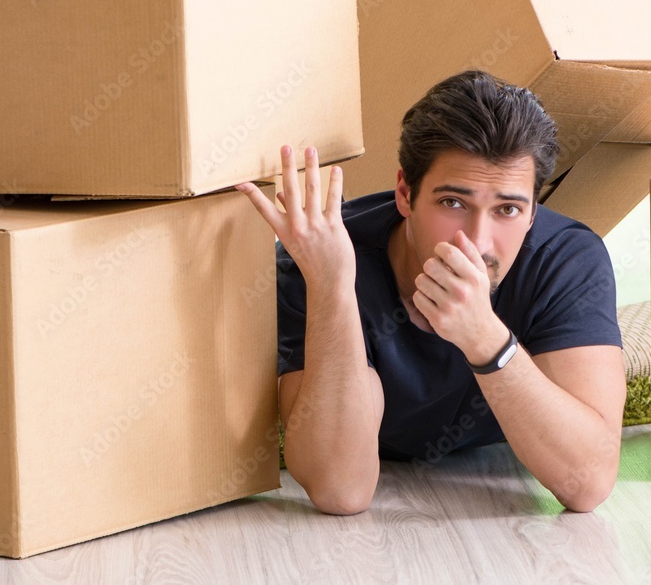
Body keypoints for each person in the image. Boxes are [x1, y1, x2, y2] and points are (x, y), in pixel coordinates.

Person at [235, 70, 625, 516]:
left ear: (534, 213)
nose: (477, 241)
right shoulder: (322, 260)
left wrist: (484, 337)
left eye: (507, 209)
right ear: (405, 193)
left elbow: (588, 484)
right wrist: (332, 287)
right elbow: (340, 489)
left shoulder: (565, 259)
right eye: (453, 203)